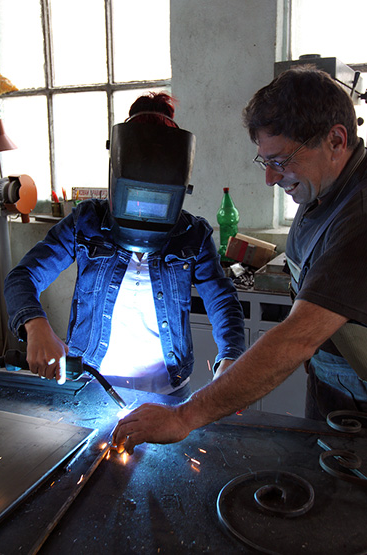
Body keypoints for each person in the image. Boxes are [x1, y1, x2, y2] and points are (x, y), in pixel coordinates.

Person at [112, 67, 367, 453]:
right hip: (336, 400)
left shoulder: (360, 213)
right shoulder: (322, 196)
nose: (270, 179)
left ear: (335, 140)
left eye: (281, 161)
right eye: (265, 162)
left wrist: (185, 416)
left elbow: (298, 337)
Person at [4, 92, 245, 399]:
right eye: (135, 198)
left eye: (156, 202)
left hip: (168, 390)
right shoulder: (87, 221)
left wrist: (231, 357)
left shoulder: (191, 234)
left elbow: (222, 299)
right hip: (92, 384)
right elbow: (22, 278)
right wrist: (36, 326)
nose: (143, 212)